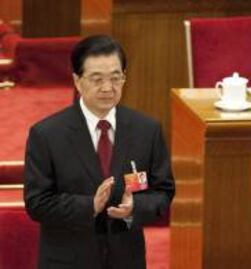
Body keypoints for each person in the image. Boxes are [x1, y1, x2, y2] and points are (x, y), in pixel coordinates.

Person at [24, 35, 175, 269]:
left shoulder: (147, 130)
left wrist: (134, 208)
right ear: (77, 81)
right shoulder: (47, 135)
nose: (108, 88)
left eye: (116, 78)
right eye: (97, 79)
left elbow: (163, 192)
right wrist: (89, 206)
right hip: (67, 261)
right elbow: (37, 202)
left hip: (126, 260)